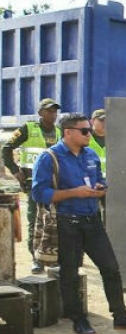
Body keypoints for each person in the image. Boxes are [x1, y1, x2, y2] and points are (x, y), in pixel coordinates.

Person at [31, 113, 126, 334]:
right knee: (70, 272)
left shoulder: (90, 154)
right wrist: (75, 192)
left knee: (110, 268)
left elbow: (98, 178)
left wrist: (101, 187)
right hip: (66, 223)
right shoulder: (49, 158)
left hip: (92, 220)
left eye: (89, 130)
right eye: (84, 131)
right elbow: (38, 193)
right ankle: (78, 319)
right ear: (68, 133)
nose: (89, 134)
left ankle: (120, 316)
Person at [3, 98, 62, 273]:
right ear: (40, 113)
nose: (52, 114)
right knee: (35, 220)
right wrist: (15, 170)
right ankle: (35, 258)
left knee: (53, 221)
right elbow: (6, 149)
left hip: (54, 184)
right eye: (49, 111)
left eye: (54, 111)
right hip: (33, 183)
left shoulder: (59, 132)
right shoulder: (28, 129)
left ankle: (51, 257)